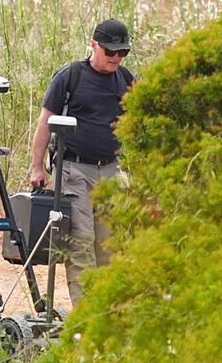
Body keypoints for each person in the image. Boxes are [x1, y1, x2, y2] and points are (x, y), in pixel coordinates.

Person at [29, 18, 135, 304]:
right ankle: (86, 316)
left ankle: (108, 311)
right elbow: (45, 122)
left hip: (110, 170)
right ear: (93, 45)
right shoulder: (70, 76)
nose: (115, 58)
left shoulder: (126, 79)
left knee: (110, 244)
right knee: (81, 241)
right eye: (110, 51)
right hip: (74, 169)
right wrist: (37, 167)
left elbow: (138, 121)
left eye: (121, 52)